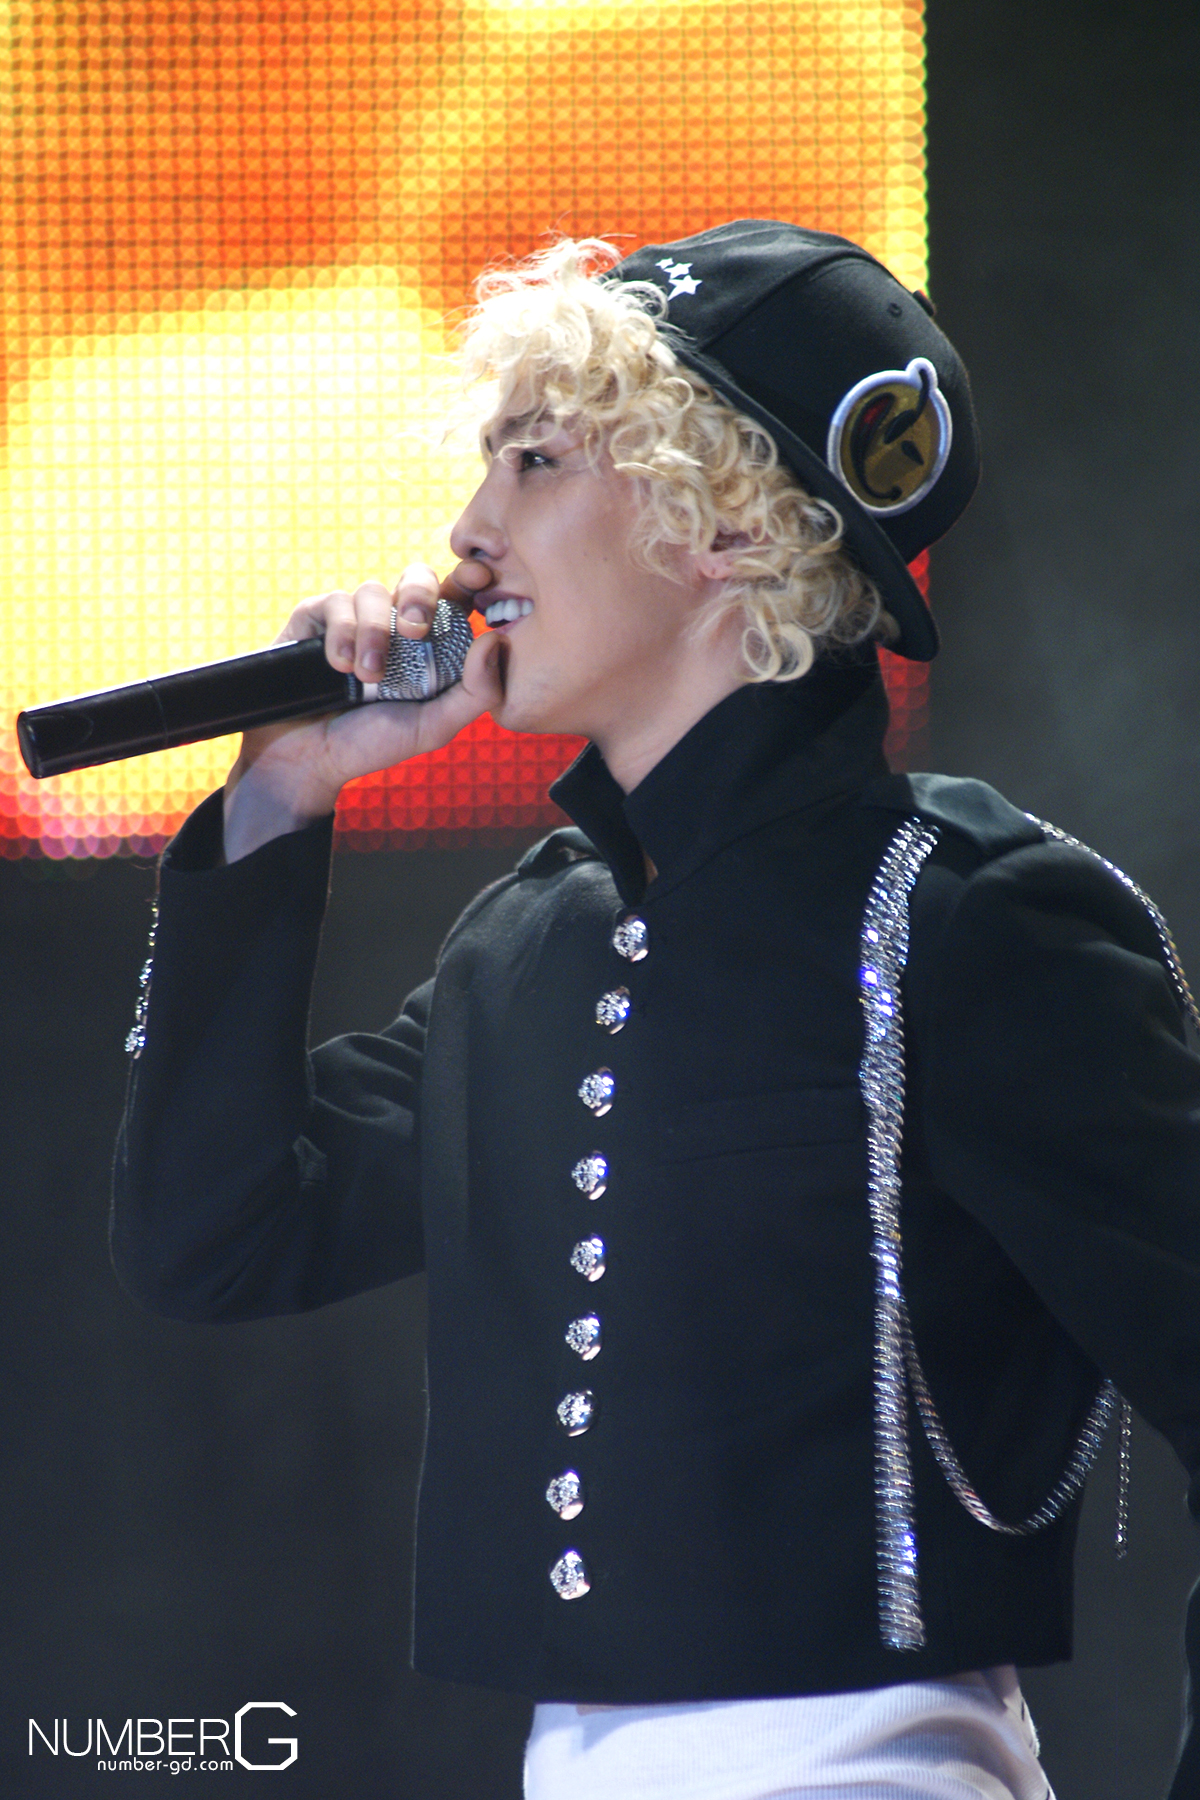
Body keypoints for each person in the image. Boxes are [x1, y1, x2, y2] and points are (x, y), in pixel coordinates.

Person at [111, 222, 1200, 1800]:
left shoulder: (972, 920)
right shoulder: (528, 946)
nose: (467, 534)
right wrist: (281, 793)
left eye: (537, 461)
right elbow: (214, 1241)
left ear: (735, 526)